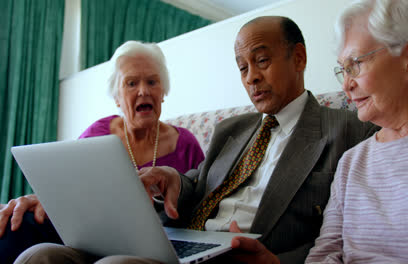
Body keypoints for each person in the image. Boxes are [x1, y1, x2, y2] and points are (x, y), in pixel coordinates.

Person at [15, 16, 378, 264]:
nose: (251, 77)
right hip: (181, 242)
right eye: (242, 67)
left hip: (245, 254)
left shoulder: (347, 129)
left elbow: (351, 231)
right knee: (41, 256)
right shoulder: (232, 129)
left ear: (298, 58)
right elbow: (197, 183)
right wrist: (172, 179)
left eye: (261, 60)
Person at [0, 40, 205, 264]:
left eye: (152, 81)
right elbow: (68, 192)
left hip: (155, 247)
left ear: (163, 91)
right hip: (92, 240)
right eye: (131, 83)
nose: (143, 91)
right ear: (116, 97)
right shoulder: (97, 133)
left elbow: (202, 203)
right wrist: (43, 199)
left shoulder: (186, 143)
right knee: (18, 229)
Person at [306, 0, 408, 262]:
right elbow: (325, 254)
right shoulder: (351, 161)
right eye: (343, 70)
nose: (346, 85)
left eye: (355, 64)